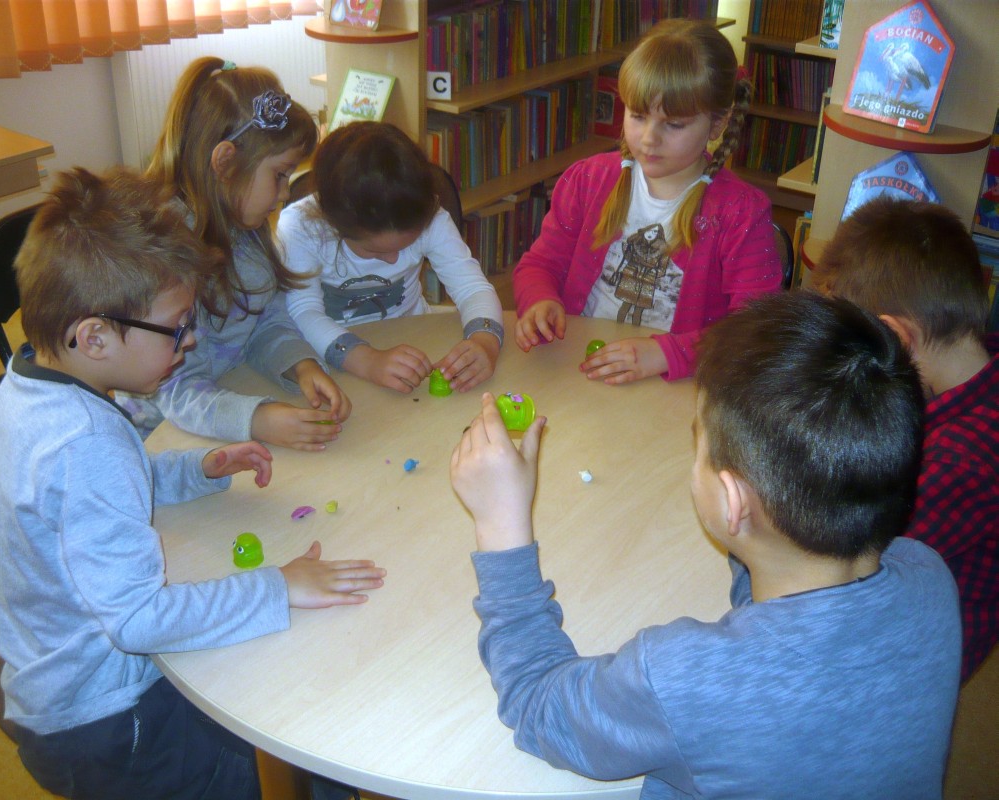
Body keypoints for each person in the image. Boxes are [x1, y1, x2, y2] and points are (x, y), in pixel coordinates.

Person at [450, 292, 961, 799]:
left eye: (698, 442)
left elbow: (539, 704)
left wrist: (502, 526)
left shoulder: (681, 679)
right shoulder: (928, 576)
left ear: (733, 502)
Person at [0, 166, 387, 800]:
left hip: (55, 678)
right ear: (94, 336)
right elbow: (139, 620)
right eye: (176, 327)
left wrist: (195, 469)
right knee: (294, 749)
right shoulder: (84, 442)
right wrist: (278, 586)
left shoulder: (32, 383)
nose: (191, 340)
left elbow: (83, 500)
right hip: (110, 724)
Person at [512, 19, 782, 383]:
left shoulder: (741, 213)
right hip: (580, 366)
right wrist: (540, 299)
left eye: (674, 124)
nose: (649, 139)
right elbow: (540, 264)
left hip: (674, 385)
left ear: (718, 124)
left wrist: (669, 354)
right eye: (638, 116)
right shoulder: (588, 180)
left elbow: (756, 330)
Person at [116, 57, 352, 451]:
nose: (284, 194)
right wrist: (256, 419)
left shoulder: (244, 225)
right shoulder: (161, 259)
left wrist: (301, 364)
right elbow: (173, 390)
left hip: (224, 398)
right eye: (279, 175)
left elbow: (266, 320)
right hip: (156, 440)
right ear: (225, 163)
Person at [813, 196, 998, 682]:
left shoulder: (957, 464)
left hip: (904, 666)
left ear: (895, 338)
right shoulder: (973, 373)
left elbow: (844, 579)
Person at [277, 121, 503, 394]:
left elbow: (472, 287)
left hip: (415, 338)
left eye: (405, 246)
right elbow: (303, 312)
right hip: (332, 357)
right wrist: (367, 360)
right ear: (335, 224)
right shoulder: (302, 227)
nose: (394, 260)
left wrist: (485, 341)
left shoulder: (430, 217)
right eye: (376, 252)